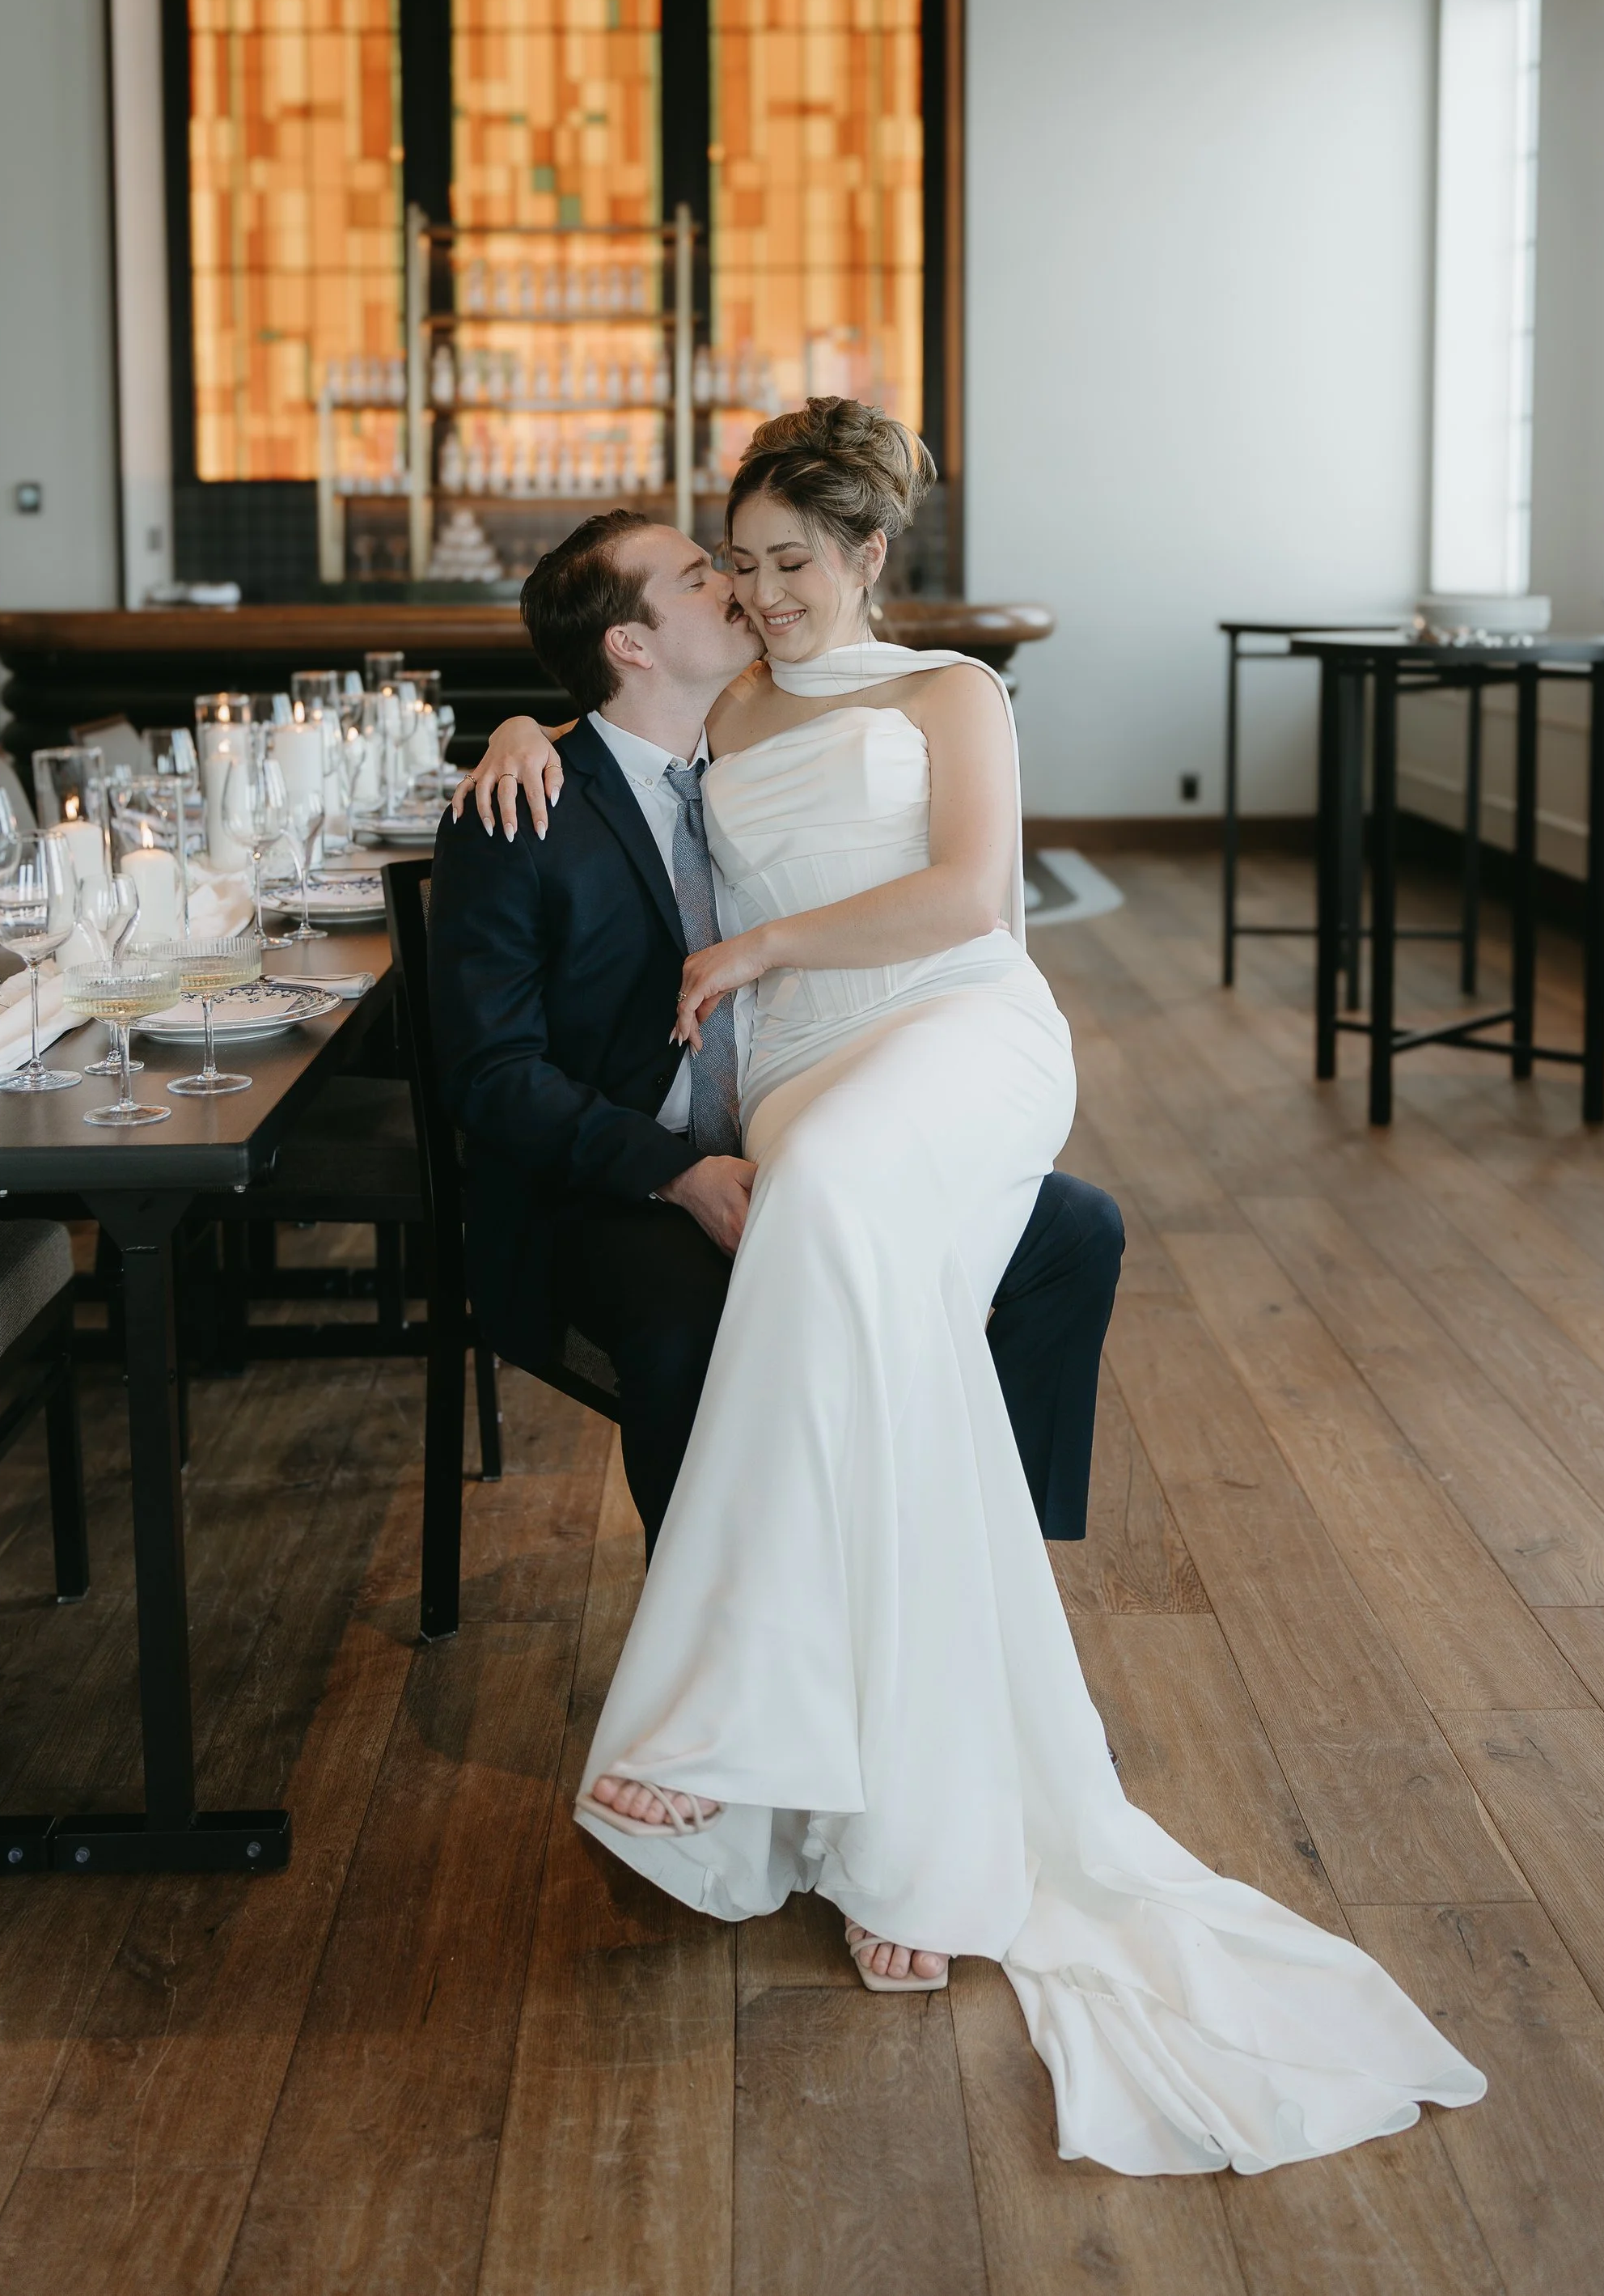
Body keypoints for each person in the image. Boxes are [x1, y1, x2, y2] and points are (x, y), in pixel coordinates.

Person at [442, 398, 1486, 2177]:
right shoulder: (720, 708)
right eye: (732, 567)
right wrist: (521, 718)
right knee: (866, 1308)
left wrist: (752, 944)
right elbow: (622, 749)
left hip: (952, 1035)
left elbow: (971, 895)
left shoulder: (950, 695)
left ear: (864, 557)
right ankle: (901, 1833)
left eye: (786, 564)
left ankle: (713, 1709)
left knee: (828, 1209)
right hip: (791, 1072)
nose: (759, 595)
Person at [431, 511, 1125, 1557]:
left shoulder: (735, 755)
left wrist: (521, 715)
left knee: (1076, 1232)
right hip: (604, 1188)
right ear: (632, 643)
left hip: (790, 1128)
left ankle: (990, 1576)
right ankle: (716, 1612)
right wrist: (676, 1174)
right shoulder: (521, 809)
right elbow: (492, 1078)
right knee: (692, 1320)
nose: (739, 588)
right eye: (705, 575)